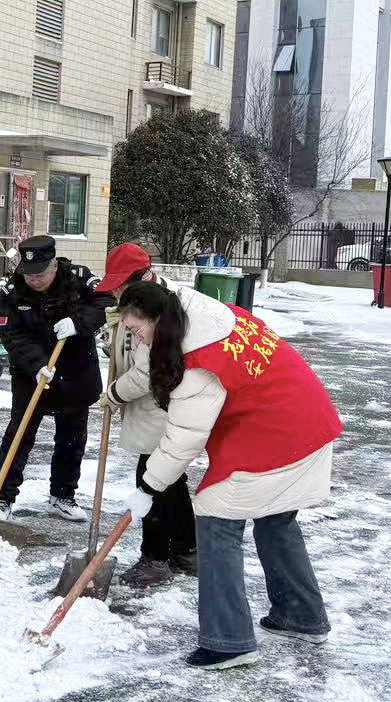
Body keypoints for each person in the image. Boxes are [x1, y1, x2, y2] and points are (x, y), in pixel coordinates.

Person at [117, 281, 341, 670]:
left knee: (217, 522)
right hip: (305, 421)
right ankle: (300, 615)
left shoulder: (199, 359)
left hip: (275, 434)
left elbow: (183, 440)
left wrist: (148, 487)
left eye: (136, 331)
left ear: (156, 320)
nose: (135, 339)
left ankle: (228, 641)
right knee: (276, 517)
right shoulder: (207, 316)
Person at [94, 243, 197, 587]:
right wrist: (116, 329)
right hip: (151, 407)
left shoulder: (160, 309)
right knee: (172, 481)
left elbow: (144, 373)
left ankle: (156, 558)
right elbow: (126, 352)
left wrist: (112, 394)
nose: (117, 293)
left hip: (159, 407)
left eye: (121, 286)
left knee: (151, 480)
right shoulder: (138, 303)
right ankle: (187, 549)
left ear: (141, 278)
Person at [0, 235, 114, 521]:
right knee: (19, 435)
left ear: (54, 266)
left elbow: (107, 301)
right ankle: (1, 498)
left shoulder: (79, 278)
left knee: (72, 438)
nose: (33, 279)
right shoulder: (12, 290)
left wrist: (78, 322)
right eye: (28, 274)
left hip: (75, 371)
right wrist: (36, 364)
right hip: (32, 375)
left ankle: (62, 495)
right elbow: (10, 331)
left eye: (40, 274)